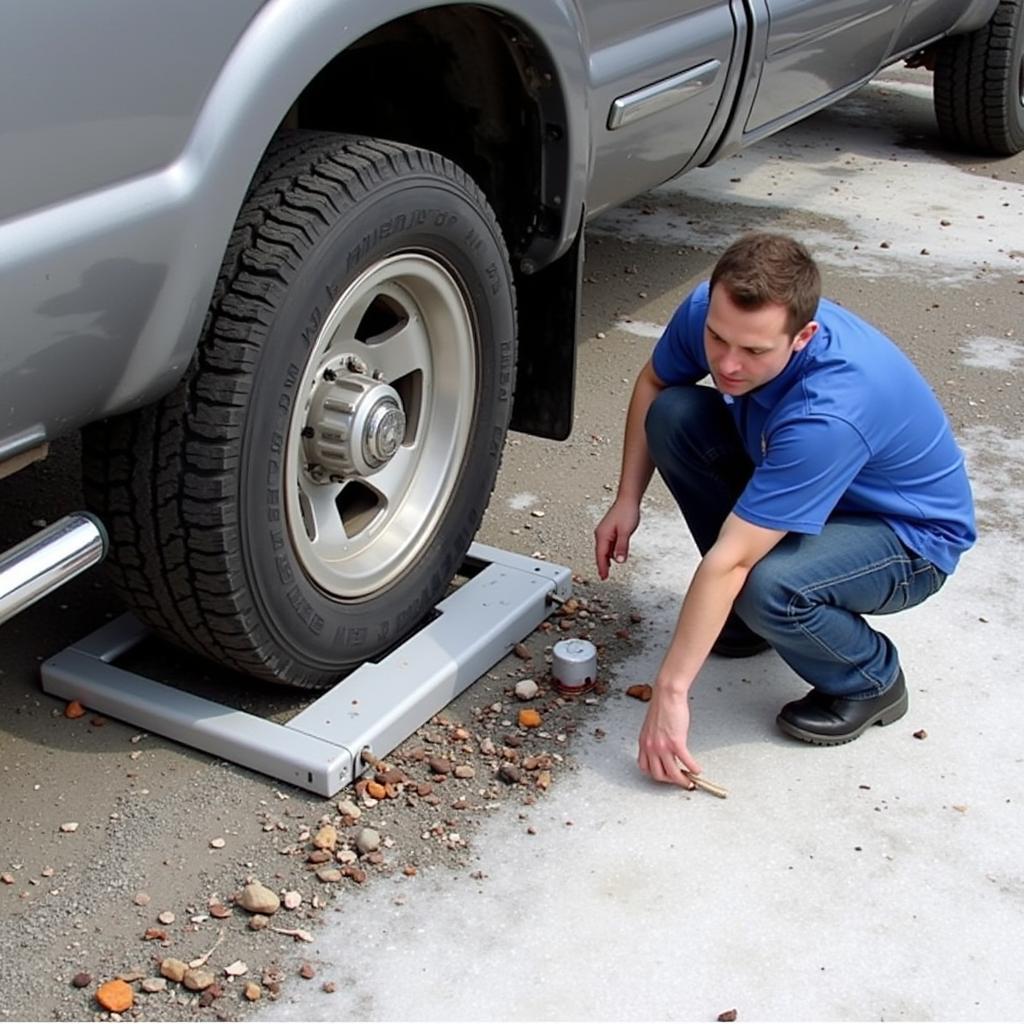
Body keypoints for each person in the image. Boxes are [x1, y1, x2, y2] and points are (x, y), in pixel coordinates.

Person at [594, 233, 975, 788]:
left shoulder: (831, 412)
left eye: (753, 352)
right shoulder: (711, 308)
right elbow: (656, 382)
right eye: (718, 340)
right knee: (676, 416)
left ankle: (870, 678)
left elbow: (733, 562)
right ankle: (750, 626)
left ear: (803, 336)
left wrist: (670, 693)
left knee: (766, 582)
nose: (726, 364)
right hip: (814, 487)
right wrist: (626, 499)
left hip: (905, 538)